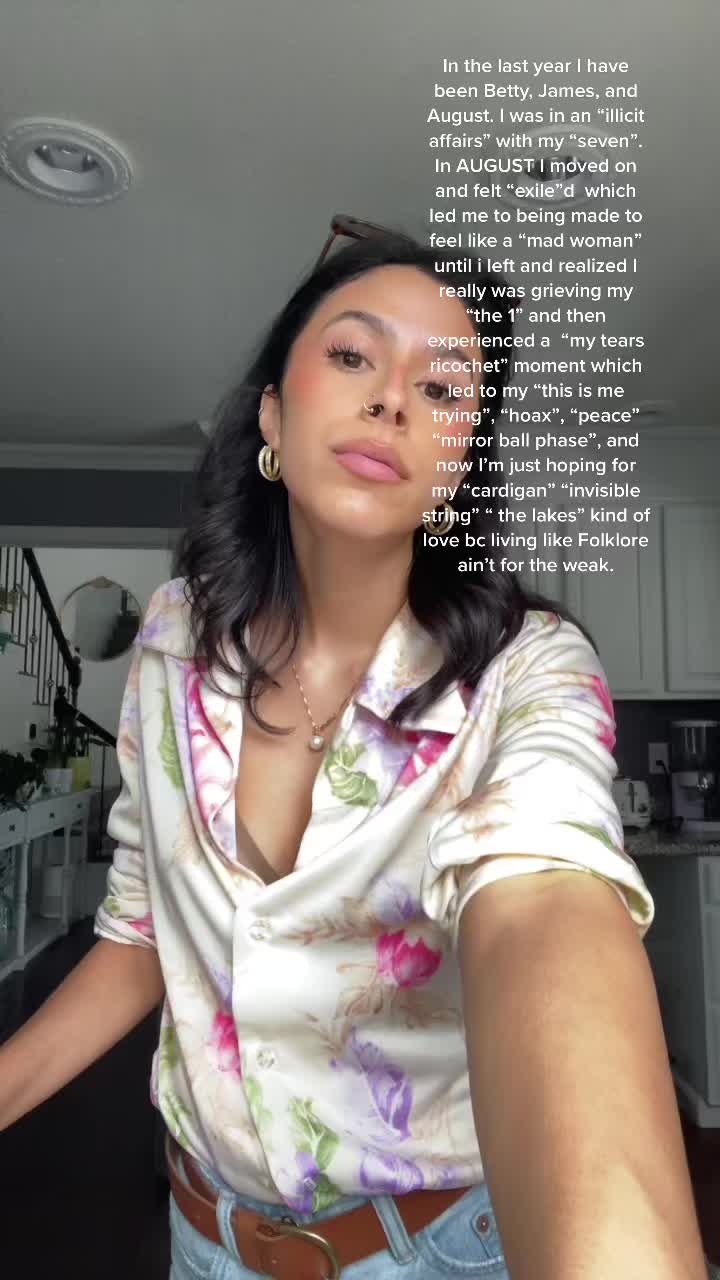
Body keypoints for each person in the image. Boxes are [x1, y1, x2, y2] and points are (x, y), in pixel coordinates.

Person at [0, 233, 708, 1280]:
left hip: (445, 1249)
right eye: (351, 356)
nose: (392, 401)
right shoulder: (171, 638)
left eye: (443, 388)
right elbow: (145, 931)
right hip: (204, 1239)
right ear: (272, 417)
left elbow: (546, 909)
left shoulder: (529, 669)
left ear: (458, 467)